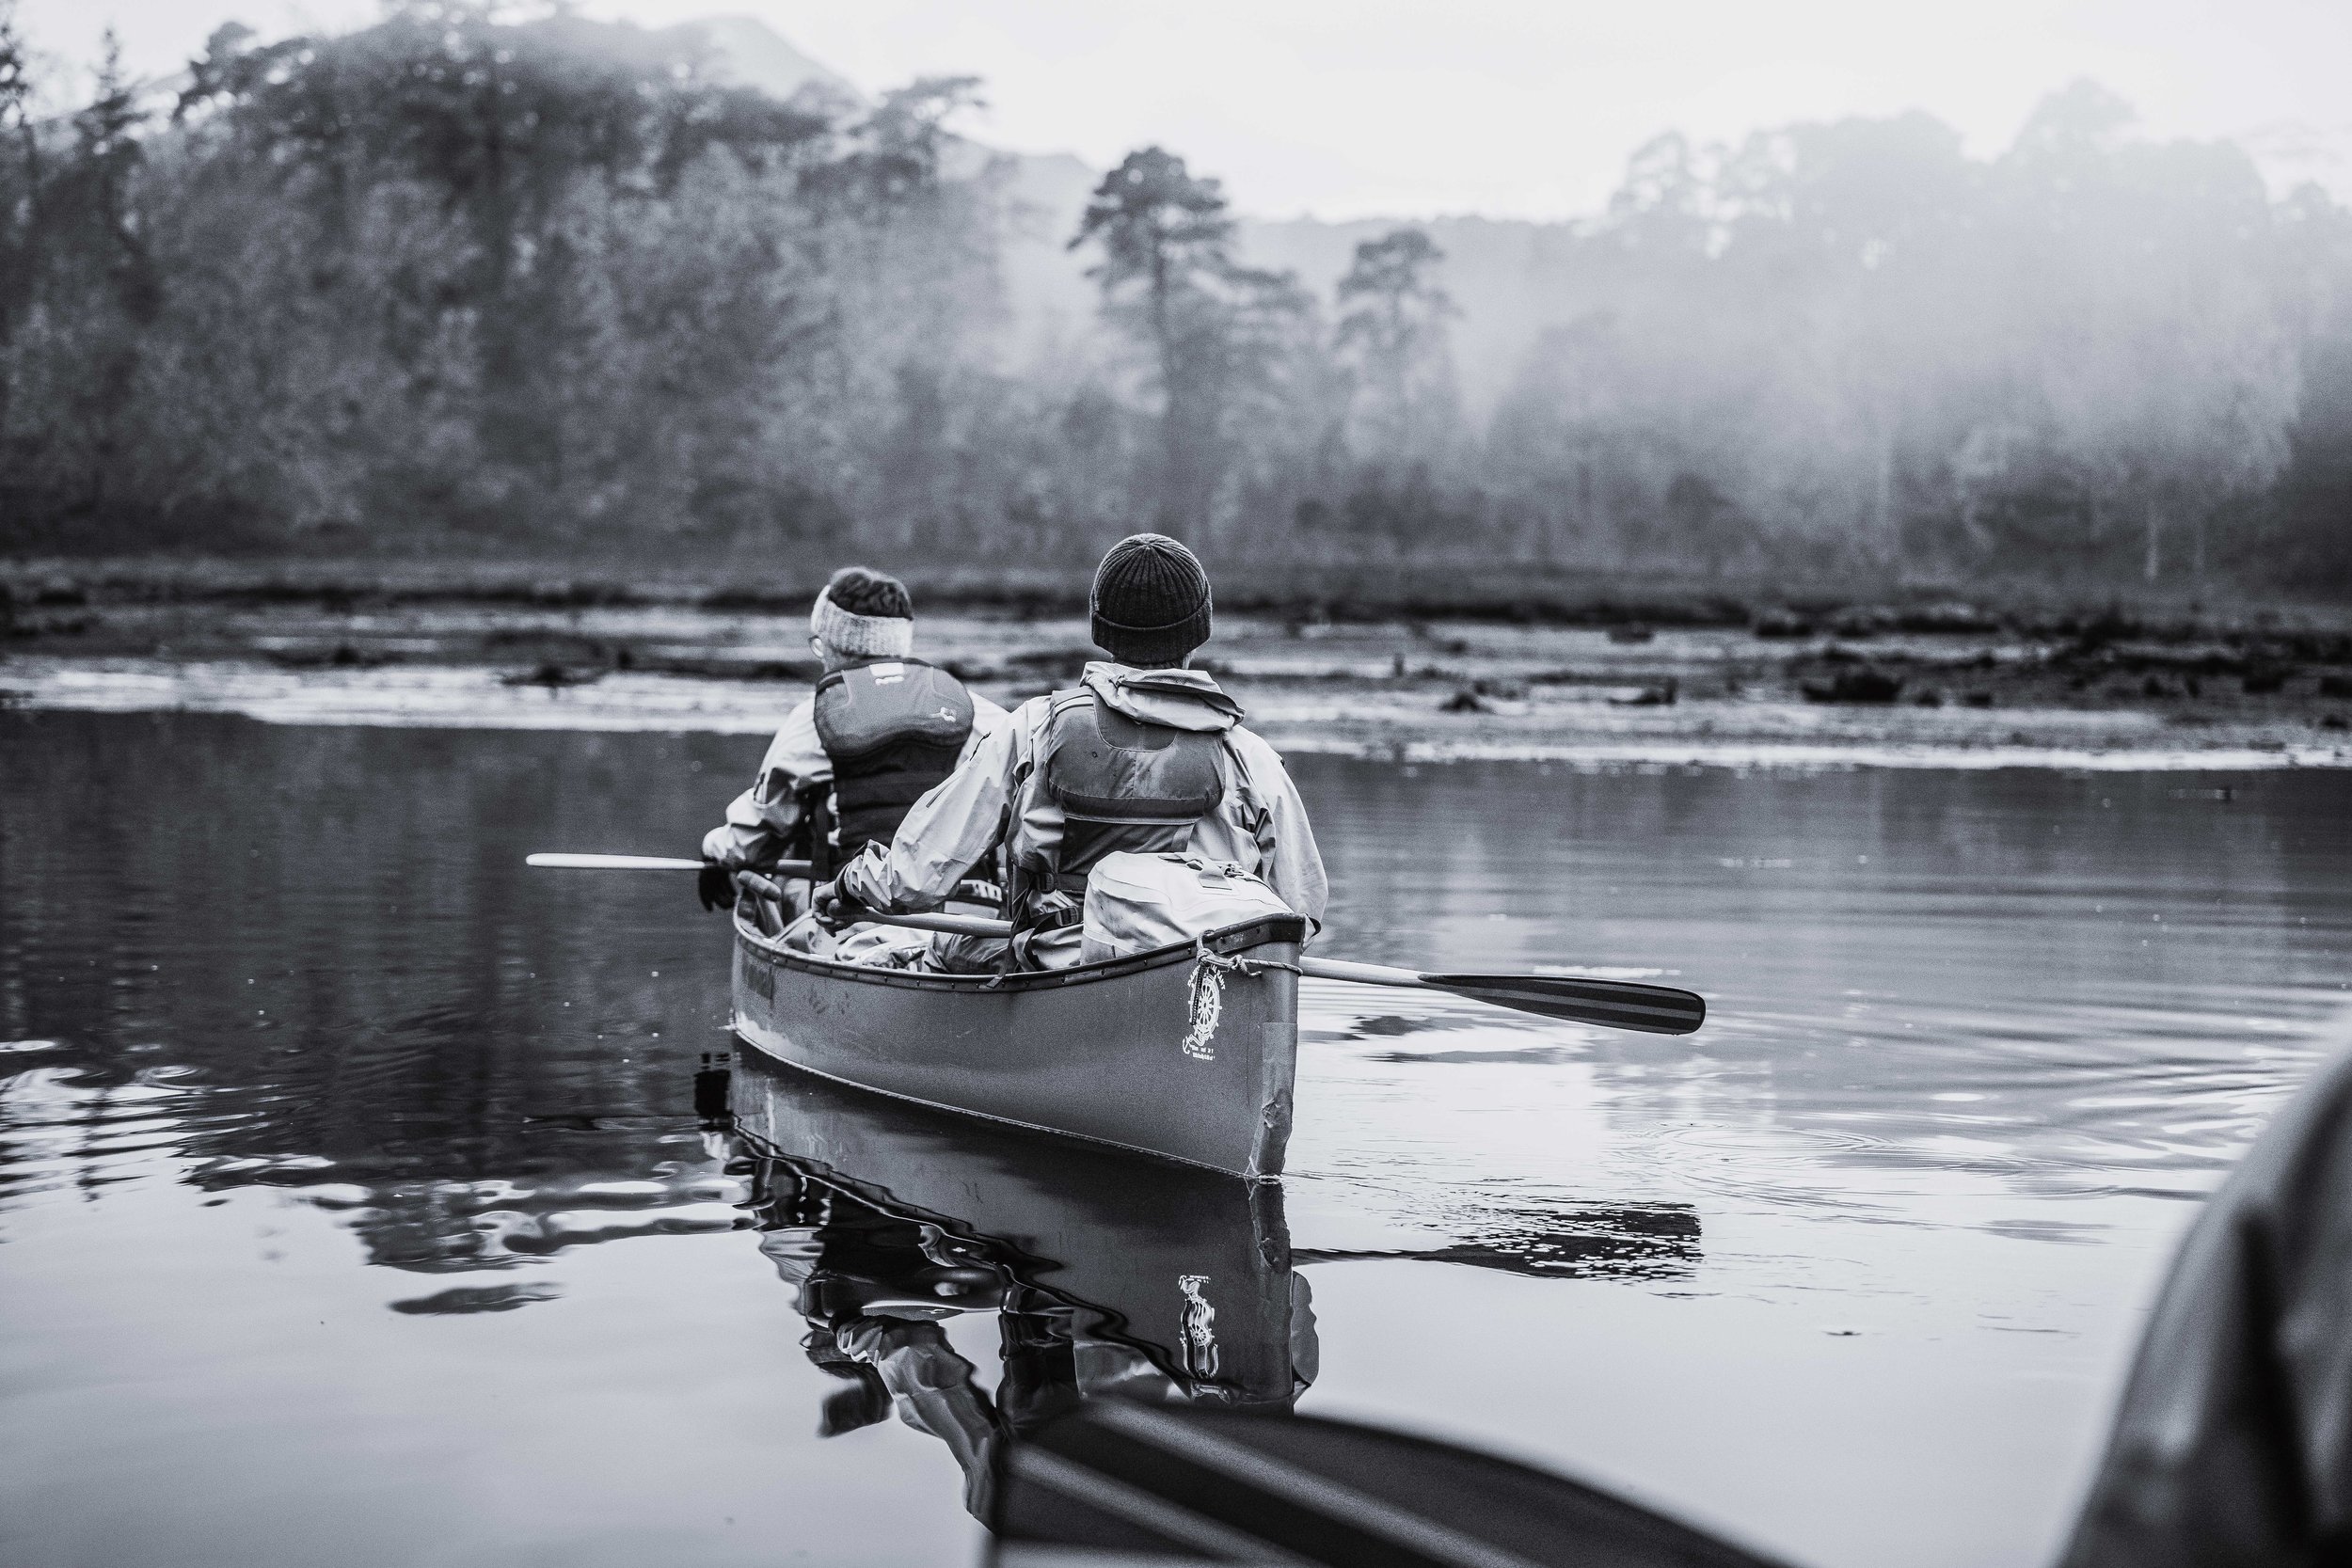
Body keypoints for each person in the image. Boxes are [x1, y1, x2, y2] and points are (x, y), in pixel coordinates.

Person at [817, 533, 1326, 970]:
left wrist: (846, 890)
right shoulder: (1249, 756)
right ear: (1200, 631)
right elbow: (1301, 908)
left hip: (1062, 960)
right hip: (1205, 967)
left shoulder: (1034, 729)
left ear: (1100, 628)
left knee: (943, 946)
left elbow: (914, 878)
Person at [698, 567, 1008, 922]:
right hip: (972, 915)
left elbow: (757, 835)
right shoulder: (975, 711)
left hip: (854, 915)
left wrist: (714, 852)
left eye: (820, 645)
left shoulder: (815, 720)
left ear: (835, 646)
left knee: (788, 885)